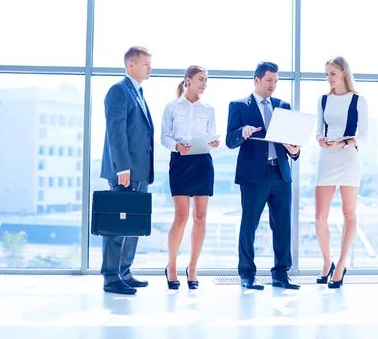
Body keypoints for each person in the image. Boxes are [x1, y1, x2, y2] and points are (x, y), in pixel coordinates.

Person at [226, 61, 301, 290]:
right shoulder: (239, 106)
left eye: (276, 81)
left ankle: (281, 274)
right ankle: (247, 274)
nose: (273, 85)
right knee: (249, 225)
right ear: (256, 80)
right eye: (269, 80)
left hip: (280, 172)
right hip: (253, 175)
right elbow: (230, 140)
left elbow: (293, 142)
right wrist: (242, 132)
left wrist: (295, 150)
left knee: (282, 226)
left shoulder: (283, 106)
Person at [99, 46, 155, 295]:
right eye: (146, 64)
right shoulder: (119, 91)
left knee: (132, 224)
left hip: (139, 171)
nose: (150, 68)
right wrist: (121, 167)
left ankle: (124, 271)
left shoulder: (138, 92)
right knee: (117, 226)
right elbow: (116, 132)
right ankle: (111, 277)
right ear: (131, 65)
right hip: (125, 171)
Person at [161, 65, 219, 290]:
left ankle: (193, 268)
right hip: (180, 162)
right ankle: (172, 266)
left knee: (200, 216)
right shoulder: (171, 107)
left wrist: (213, 143)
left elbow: (211, 138)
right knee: (181, 217)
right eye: (201, 79)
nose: (204, 83)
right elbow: (164, 137)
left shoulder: (209, 109)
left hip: (203, 162)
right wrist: (176, 146)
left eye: (206, 80)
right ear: (188, 80)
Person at [314, 56, 369, 288]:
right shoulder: (323, 100)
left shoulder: (358, 100)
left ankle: (342, 263)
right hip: (327, 158)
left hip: (348, 157)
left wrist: (343, 143)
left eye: (332, 74)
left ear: (344, 73)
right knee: (319, 217)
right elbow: (318, 130)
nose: (329, 78)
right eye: (326, 74)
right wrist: (321, 139)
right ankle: (327, 262)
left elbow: (364, 136)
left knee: (349, 213)